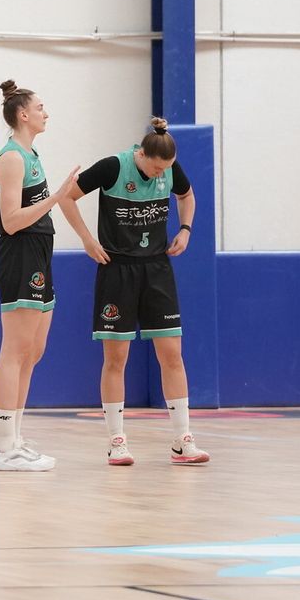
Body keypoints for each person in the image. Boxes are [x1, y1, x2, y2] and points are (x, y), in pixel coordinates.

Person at [58, 117, 209, 466]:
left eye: (165, 170)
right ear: (141, 154)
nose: (161, 176)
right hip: (118, 270)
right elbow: (67, 198)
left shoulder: (170, 170)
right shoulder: (113, 167)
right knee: (116, 359)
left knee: (172, 354)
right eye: (156, 168)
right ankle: (116, 441)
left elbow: (186, 196)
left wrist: (185, 229)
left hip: (157, 269)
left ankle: (182, 440)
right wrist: (86, 238)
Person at [0, 81, 78, 472]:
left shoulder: (31, 153)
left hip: (40, 254)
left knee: (33, 351)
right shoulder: (11, 159)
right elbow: (10, 222)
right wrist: (56, 197)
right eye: (41, 107)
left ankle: (17, 439)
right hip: (20, 254)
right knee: (15, 349)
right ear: (23, 114)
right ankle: (5, 446)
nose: (46, 112)